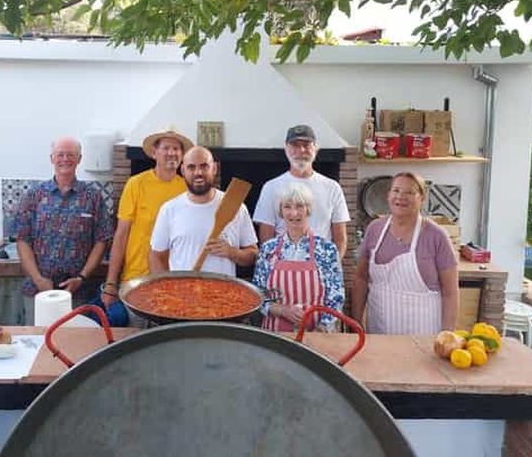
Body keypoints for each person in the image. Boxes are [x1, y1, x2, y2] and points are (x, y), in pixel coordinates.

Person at [14, 137, 114, 324]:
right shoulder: (34, 195)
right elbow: (22, 240)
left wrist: (81, 277)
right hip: (38, 291)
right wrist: (38, 280)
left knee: (75, 338)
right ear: (52, 158)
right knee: (38, 338)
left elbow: (102, 240)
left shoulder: (92, 196)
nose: (65, 159)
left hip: (78, 292)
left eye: (71, 155)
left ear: (79, 159)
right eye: (60, 154)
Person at [101, 127, 192, 325]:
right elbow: (121, 235)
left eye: (176, 149)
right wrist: (111, 283)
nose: (172, 153)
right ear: (154, 152)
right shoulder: (136, 184)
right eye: (166, 148)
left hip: (174, 281)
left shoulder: (187, 188)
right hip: (136, 279)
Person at [351, 172, 459, 335]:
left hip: (424, 330)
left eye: (410, 192)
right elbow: (361, 278)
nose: (401, 197)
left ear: (422, 198)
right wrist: (356, 322)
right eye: (396, 190)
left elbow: (450, 292)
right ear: (388, 195)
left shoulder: (436, 236)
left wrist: (447, 334)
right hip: (380, 327)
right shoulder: (375, 229)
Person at [149, 146, 257, 275]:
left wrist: (233, 252)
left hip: (224, 287)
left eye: (204, 166)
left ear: (214, 168)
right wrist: (167, 287)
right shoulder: (169, 210)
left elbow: (253, 254)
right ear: (183, 170)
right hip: (183, 288)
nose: (198, 172)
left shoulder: (236, 207)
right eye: (191, 167)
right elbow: (156, 256)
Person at [252, 183, 344, 332]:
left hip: (317, 334)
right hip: (275, 335)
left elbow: (336, 296)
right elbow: (257, 296)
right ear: (281, 212)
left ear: (309, 209)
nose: (294, 213)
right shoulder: (268, 249)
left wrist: (322, 329)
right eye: (287, 207)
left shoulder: (327, 249)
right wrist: (283, 310)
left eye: (300, 206)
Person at [253, 124, 349, 260]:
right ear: (286, 149)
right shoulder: (271, 188)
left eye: (306, 145)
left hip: (321, 266)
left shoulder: (332, 188)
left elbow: (340, 239)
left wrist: (331, 266)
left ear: (316, 148)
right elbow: (266, 239)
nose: (301, 150)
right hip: (283, 266)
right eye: (295, 145)